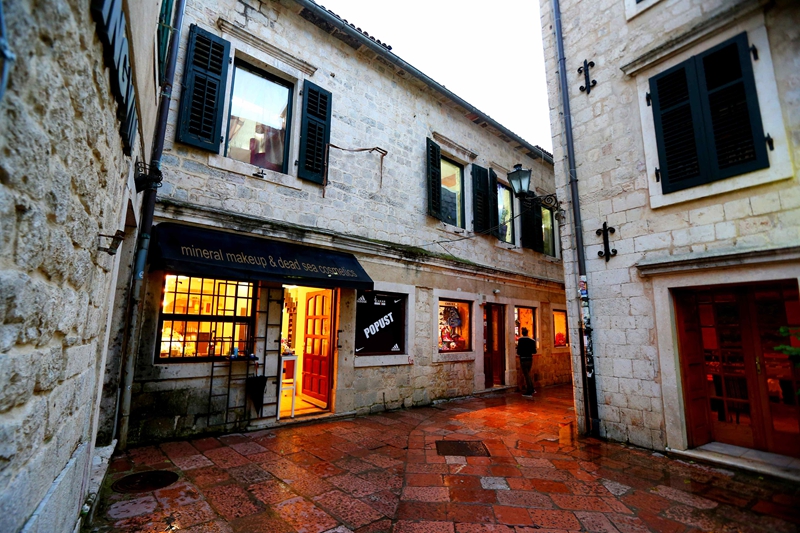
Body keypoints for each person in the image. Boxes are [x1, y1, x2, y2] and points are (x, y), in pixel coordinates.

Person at [516, 327, 537, 397]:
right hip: (530, 359)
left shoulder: (520, 340)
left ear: (522, 333)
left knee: (526, 375)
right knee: (528, 374)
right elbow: (534, 351)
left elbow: (518, 352)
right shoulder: (532, 341)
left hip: (523, 359)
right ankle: (532, 389)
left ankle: (529, 391)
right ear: (527, 333)